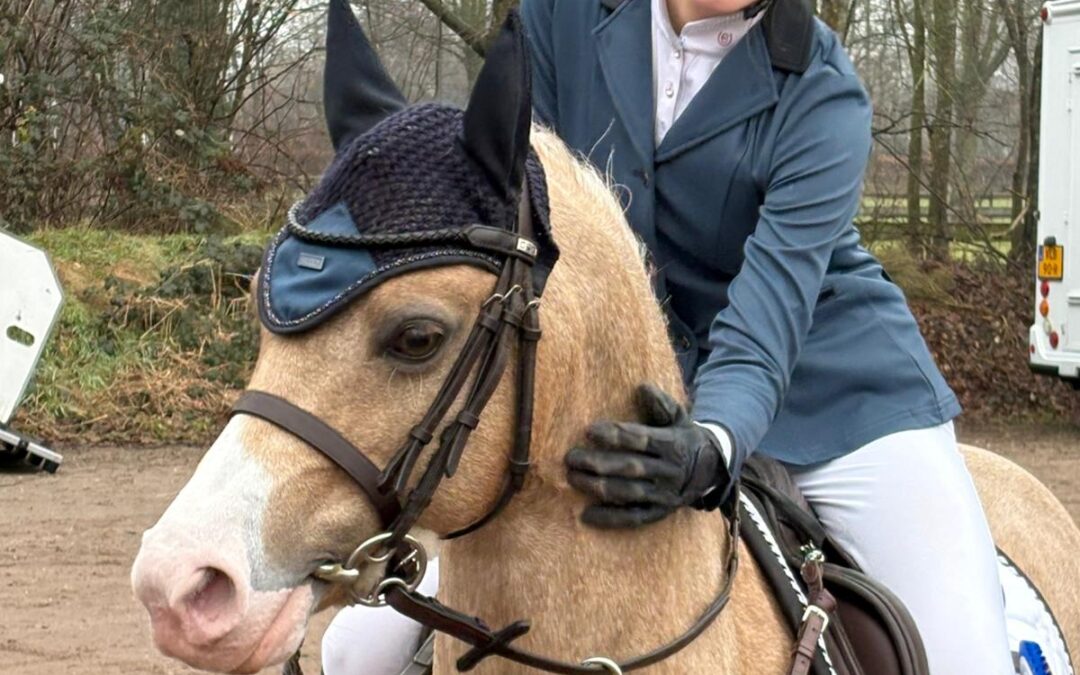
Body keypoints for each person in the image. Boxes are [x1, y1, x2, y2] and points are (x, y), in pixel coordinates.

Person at [323, 1, 1013, 672]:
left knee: (966, 656)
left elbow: (767, 315)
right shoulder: (560, 19)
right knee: (356, 651)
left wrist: (712, 443)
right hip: (631, 383)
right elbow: (512, 216)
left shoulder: (823, 95)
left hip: (834, 392)